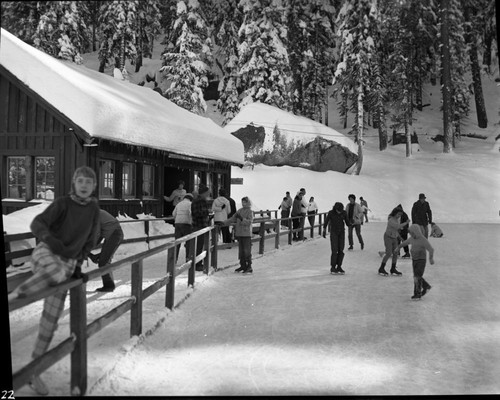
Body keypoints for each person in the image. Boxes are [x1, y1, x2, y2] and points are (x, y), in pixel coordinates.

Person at [8, 166, 100, 396]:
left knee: (50, 322)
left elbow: (92, 238)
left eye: (89, 182)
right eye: (80, 180)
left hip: (68, 264)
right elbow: (37, 224)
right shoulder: (62, 203)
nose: (84, 185)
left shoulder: (93, 209)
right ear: (73, 183)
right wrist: (51, 240)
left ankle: (34, 371)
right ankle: (14, 297)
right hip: (46, 252)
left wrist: (78, 263)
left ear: (94, 186)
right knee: (57, 273)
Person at [395, 224, 435, 300]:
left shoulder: (422, 239)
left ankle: (418, 293)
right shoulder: (412, 239)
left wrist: (431, 259)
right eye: (410, 233)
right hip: (415, 260)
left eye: (412, 233)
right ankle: (425, 287)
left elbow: (431, 249)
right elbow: (404, 243)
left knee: (417, 276)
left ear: (416, 232)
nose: (411, 234)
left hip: (421, 260)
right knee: (416, 276)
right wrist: (398, 247)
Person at [88, 209, 124, 292]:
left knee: (103, 262)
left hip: (114, 235)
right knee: (104, 260)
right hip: (113, 235)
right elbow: (99, 234)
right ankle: (109, 285)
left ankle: (109, 286)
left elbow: (97, 234)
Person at [224, 196, 254, 274]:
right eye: (242, 202)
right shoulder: (239, 211)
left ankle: (249, 266)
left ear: (248, 202)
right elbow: (232, 218)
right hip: (240, 233)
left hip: (246, 234)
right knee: (241, 251)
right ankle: (243, 265)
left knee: (247, 251)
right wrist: (224, 223)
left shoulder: (250, 211)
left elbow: (249, 222)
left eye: (245, 202)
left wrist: (241, 219)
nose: (243, 203)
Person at [378, 207, 409, 276]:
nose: (399, 216)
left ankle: (393, 269)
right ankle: (381, 268)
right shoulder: (391, 220)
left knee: (395, 253)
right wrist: (406, 223)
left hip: (394, 238)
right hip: (388, 237)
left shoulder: (397, 219)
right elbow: (397, 227)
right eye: (398, 214)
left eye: (400, 215)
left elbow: (396, 230)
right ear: (395, 213)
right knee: (389, 253)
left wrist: (400, 237)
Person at [323, 202, 350, 275]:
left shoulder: (344, 213)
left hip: (341, 232)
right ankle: (333, 267)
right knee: (334, 250)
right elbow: (326, 221)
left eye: (341, 210)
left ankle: (339, 266)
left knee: (341, 249)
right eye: (338, 210)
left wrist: (351, 222)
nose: (339, 212)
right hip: (334, 233)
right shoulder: (331, 213)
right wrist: (324, 230)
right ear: (335, 208)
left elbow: (347, 222)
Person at [191, 185, 211, 271]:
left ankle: (198, 263)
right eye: (207, 192)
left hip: (200, 225)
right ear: (204, 193)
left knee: (200, 245)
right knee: (198, 246)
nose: (208, 194)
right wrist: (206, 212)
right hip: (199, 225)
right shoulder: (199, 201)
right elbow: (196, 213)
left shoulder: (200, 201)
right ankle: (197, 264)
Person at [172, 193, 193, 262]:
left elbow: (173, 213)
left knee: (177, 242)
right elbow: (191, 213)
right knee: (188, 242)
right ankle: (188, 258)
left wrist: (177, 219)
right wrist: (191, 220)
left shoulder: (179, 204)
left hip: (178, 224)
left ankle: (174, 259)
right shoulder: (190, 204)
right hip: (186, 224)